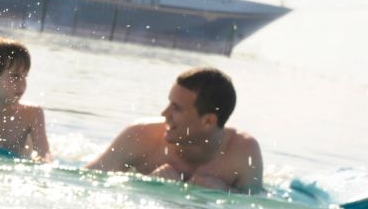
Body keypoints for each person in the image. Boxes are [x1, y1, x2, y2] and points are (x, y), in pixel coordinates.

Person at [86, 67, 263, 192]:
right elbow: (87, 179)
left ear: (208, 121)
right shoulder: (139, 136)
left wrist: (225, 193)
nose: (164, 113)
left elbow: (256, 204)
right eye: (169, 103)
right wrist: (146, 184)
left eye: (176, 108)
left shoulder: (243, 151)